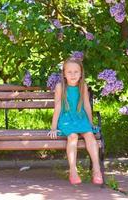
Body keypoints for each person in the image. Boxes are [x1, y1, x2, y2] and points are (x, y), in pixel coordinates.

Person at [47, 56, 103, 185]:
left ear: (81, 73)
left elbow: (87, 106)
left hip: (80, 118)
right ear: (64, 74)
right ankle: (73, 170)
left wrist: (90, 123)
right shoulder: (61, 86)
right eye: (69, 72)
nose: (73, 75)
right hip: (66, 119)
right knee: (73, 137)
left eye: (76, 72)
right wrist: (53, 127)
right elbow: (58, 106)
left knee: (90, 135)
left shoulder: (83, 86)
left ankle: (97, 169)